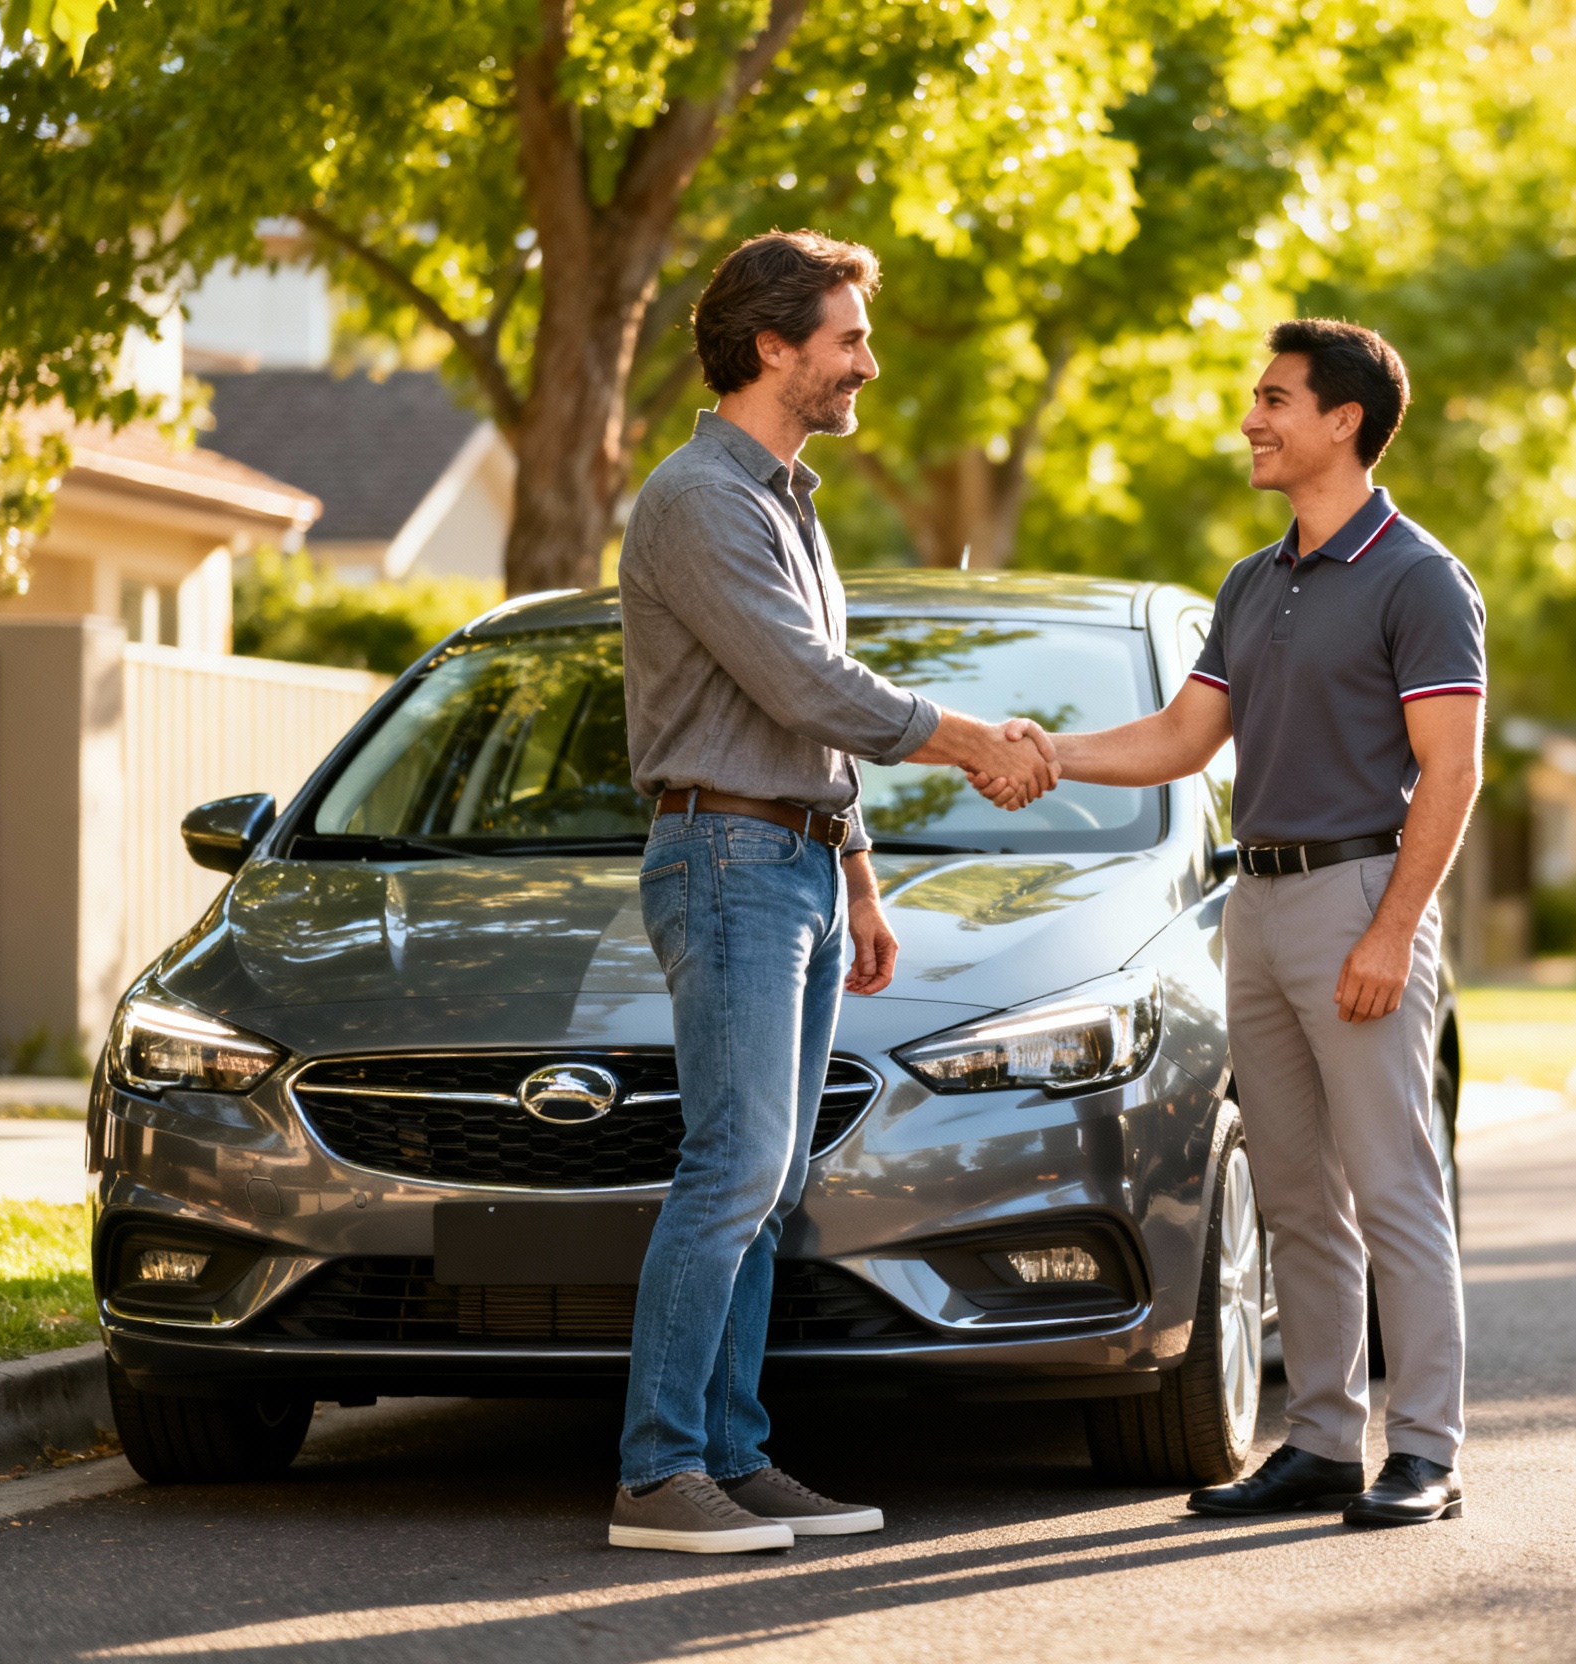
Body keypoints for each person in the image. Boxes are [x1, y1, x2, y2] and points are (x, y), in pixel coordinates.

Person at [608, 229, 1059, 1555]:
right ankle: (657, 1471)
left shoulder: (787, 501)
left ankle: (733, 1457)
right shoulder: (700, 499)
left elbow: (798, 720)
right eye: (849, 338)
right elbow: (806, 685)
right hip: (727, 859)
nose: (867, 362)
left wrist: (857, 870)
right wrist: (971, 741)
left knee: (769, 1182)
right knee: (732, 1167)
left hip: (793, 861)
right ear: (772, 346)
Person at [1012, 318, 1481, 1528]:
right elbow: (1182, 736)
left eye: (1274, 398)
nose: (1251, 419)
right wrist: (1048, 753)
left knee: (1392, 1185)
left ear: (1345, 420)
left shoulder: (1420, 577)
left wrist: (1393, 930)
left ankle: (1425, 1449)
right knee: (1292, 1192)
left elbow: (1452, 770)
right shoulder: (1252, 581)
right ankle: (1321, 1439)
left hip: (1357, 898)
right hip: (1258, 905)